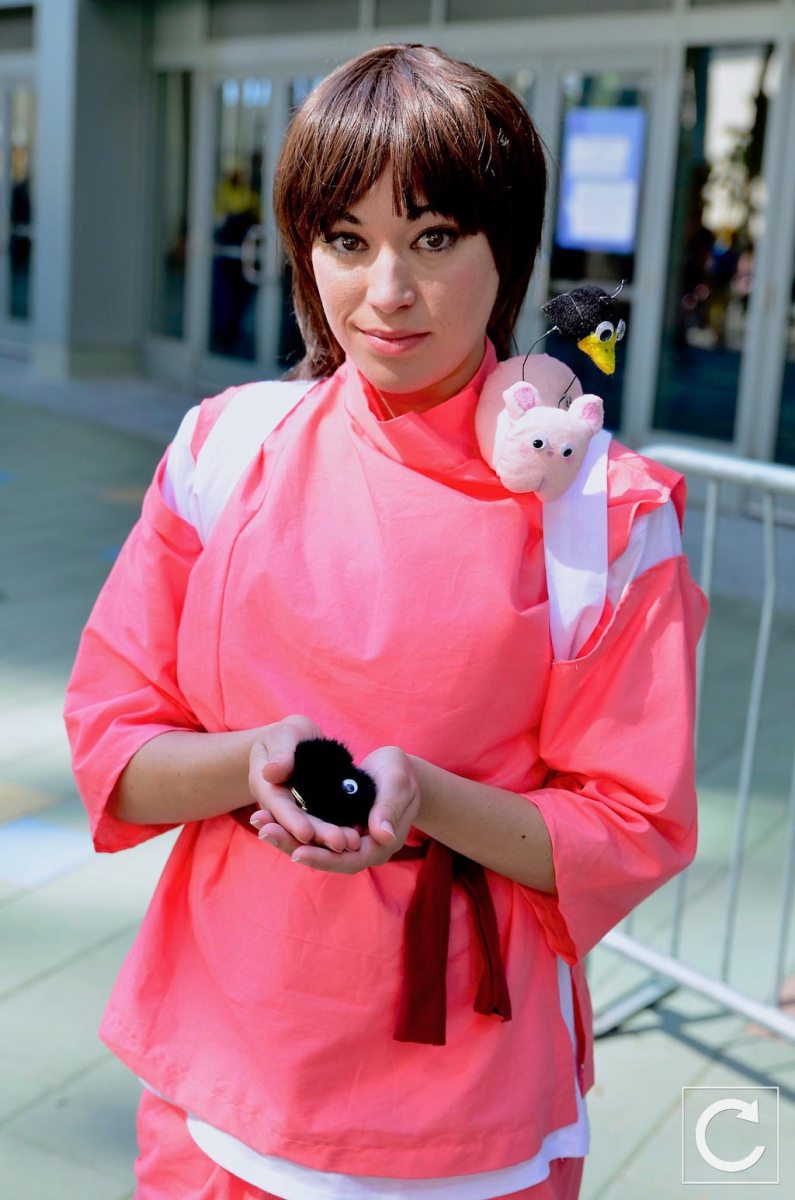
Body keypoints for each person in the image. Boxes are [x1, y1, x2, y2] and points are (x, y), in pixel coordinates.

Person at [64, 43, 707, 1200]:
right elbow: (113, 744)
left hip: (466, 1106)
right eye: (348, 241)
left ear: (505, 245)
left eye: (435, 237)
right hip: (224, 1083)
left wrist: (430, 800)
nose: (387, 291)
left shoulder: (602, 517)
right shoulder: (224, 449)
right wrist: (248, 763)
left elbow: (635, 823)